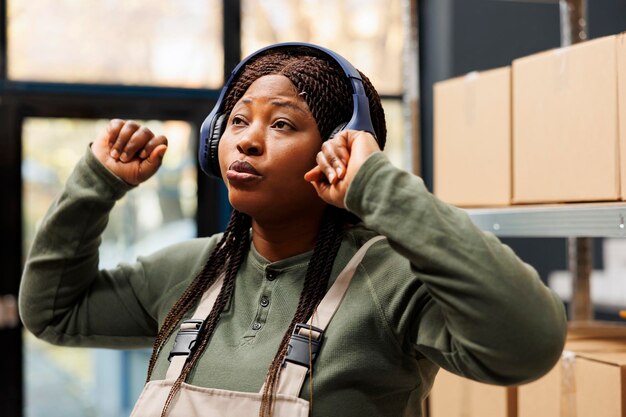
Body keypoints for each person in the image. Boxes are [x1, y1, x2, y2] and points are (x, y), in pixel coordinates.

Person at [19, 43, 567, 417]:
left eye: (281, 123)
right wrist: (95, 184)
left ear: (337, 148)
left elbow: (528, 343)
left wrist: (379, 187)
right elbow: (52, 312)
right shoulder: (188, 272)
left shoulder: (389, 280)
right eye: (237, 121)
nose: (247, 141)